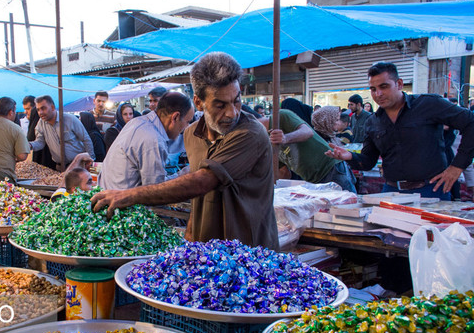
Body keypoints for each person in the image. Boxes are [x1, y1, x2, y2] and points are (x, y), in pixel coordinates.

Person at [91, 52, 278, 249]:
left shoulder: (250, 133)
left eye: (236, 100)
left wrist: (128, 195)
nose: (232, 112)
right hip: (207, 251)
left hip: (251, 253)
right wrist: (189, 237)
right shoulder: (191, 135)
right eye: (220, 105)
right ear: (198, 102)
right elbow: (198, 197)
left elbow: (203, 181)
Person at [325, 61, 474, 200]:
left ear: (399, 84)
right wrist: (349, 156)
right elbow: (368, 161)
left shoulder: (428, 104)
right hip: (391, 191)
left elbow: (470, 122)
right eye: (373, 89)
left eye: (384, 87)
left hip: (431, 191)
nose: (378, 94)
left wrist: (457, 167)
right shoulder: (373, 121)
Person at [99, 92, 193, 190]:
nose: (186, 127)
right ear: (175, 117)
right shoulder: (153, 139)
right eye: (187, 122)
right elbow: (154, 192)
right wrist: (184, 175)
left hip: (110, 194)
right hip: (121, 202)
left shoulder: (138, 122)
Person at [260, 108, 356, 192]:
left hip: (330, 169)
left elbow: (307, 132)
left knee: (347, 209)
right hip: (312, 180)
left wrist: (285, 138)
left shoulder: (280, 117)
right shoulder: (264, 142)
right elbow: (284, 173)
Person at [29, 95, 95, 169]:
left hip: (78, 166)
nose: (40, 112)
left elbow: (86, 139)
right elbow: (40, 142)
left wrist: (90, 159)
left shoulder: (70, 119)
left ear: (53, 107)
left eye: (43, 108)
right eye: (38, 110)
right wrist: (30, 145)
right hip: (60, 167)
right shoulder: (41, 123)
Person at [310, 106, 357, 192]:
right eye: (335, 120)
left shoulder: (330, 136)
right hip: (332, 188)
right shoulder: (318, 140)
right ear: (326, 120)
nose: (338, 123)